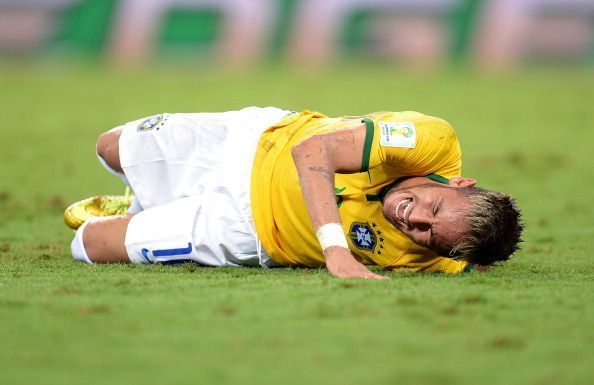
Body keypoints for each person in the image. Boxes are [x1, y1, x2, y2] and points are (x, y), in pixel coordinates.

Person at [65, 106, 523, 279]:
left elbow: (474, 259)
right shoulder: (431, 142)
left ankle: (146, 209)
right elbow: (314, 152)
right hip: (254, 142)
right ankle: (146, 199)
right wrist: (335, 251)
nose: (414, 219)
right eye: (433, 206)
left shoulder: (445, 254)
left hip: (248, 231)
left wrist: (473, 257)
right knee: (109, 147)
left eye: (427, 234)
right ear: (458, 182)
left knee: (85, 243)